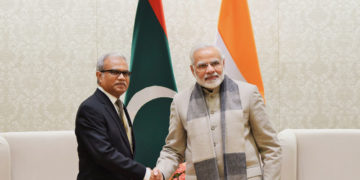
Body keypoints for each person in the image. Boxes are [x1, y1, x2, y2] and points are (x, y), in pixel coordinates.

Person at [151, 44, 281, 180]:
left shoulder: (248, 93)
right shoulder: (180, 101)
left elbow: (271, 147)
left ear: (223, 64)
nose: (210, 70)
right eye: (202, 66)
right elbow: (174, 150)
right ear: (192, 70)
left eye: (215, 64)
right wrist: (161, 171)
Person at [75, 53, 151, 180]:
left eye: (126, 73)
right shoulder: (90, 108)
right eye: (115, 72)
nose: (122, 77)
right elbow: (104, 154)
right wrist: (144, 173)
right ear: (99, 76)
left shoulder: (119, 105)